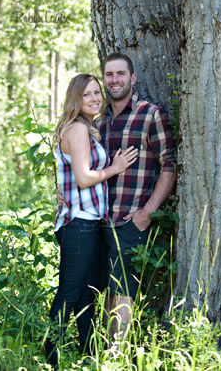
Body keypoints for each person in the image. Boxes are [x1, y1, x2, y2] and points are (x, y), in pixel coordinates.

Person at [46, 73, 138, 365]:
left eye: (97, 92)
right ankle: (50, 357)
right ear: (76, 98)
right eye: (87, 94)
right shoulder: (77, 130)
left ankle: (88, 355)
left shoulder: (86, 128)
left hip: (88, 222)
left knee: (86, 296)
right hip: (79, 224)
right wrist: (117, 166)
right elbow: (85, 178)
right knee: (69, 294)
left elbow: (70, 175)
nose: (95, 98)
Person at [97, 53, 177, 344]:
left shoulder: (149, 114)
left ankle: (116, 356)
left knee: (123, 292)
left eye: (120, 74)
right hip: (100, 223)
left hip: (132, 221)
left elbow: (169, 164)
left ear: (133, 78)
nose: (114, 80)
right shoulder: (100, 121)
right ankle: (106, 352)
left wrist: (148, 211)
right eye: (109, 74)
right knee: (107, 292)